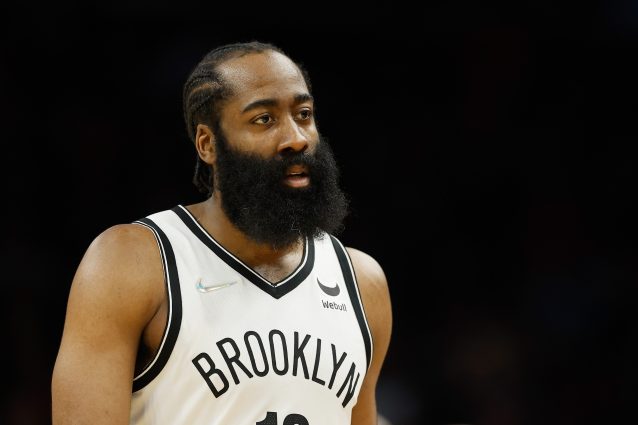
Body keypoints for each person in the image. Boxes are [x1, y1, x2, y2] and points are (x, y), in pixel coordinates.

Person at [51, 40, 393, 425]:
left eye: (303, 114)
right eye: (264, 119)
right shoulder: (132, 262)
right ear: (208, 144)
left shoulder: (361, 283)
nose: (296, 137)